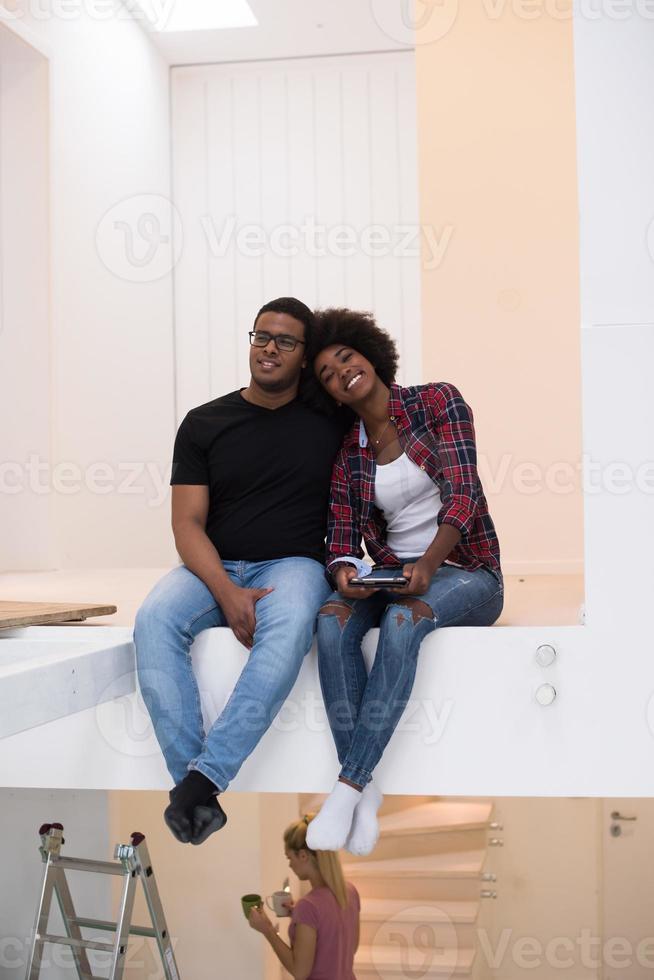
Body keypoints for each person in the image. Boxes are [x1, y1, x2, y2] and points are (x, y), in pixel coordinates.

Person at [134, 298, 345, 845]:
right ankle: (195, 782)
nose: (269, 348)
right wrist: (227, 593)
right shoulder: (205, 423)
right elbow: (186, 525)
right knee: (154, 618)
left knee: (294, 627)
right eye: (261, 337)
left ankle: (200, 783)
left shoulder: (330, 422)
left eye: (285, 341)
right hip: (213, 562)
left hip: (294, 565)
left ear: (304, 357)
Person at [304, 308, 504, 856]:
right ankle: (366, 795)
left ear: (370, 354)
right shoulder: (349, 453)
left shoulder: (438, 401)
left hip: (465, 569)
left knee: (402, 618)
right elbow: (342, 535)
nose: (341, 371)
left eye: (346, 357)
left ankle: (347, 789)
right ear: (331, 395)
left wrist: (429, 566)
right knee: (330, 620)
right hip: (392, 572)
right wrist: (346, 574)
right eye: (326, 372)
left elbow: (464, 494)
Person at [248, 814, 360, 980]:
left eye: (289, 857)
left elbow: (300, 972)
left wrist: (268, 930)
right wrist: (302, 920)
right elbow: (351, 948)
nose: (289, 864)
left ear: (303, 855)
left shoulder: (308, 906)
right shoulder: (350, 891)